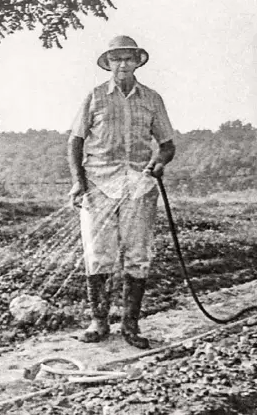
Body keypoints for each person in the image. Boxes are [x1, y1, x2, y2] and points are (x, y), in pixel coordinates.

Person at [67, 35, 175, 349]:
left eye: (128, 58)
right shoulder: (96, 96)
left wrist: (158, 161)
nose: (123, 65)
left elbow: (167, 144)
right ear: (109, 64)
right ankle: (98, 322)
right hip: (99, 181)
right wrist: (78, 181)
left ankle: (131, 325)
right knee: (98, 254)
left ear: (138, 61)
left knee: (138, 255)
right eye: (117, 59)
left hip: (139, 184)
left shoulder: (152, 99)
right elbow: (75, 142)